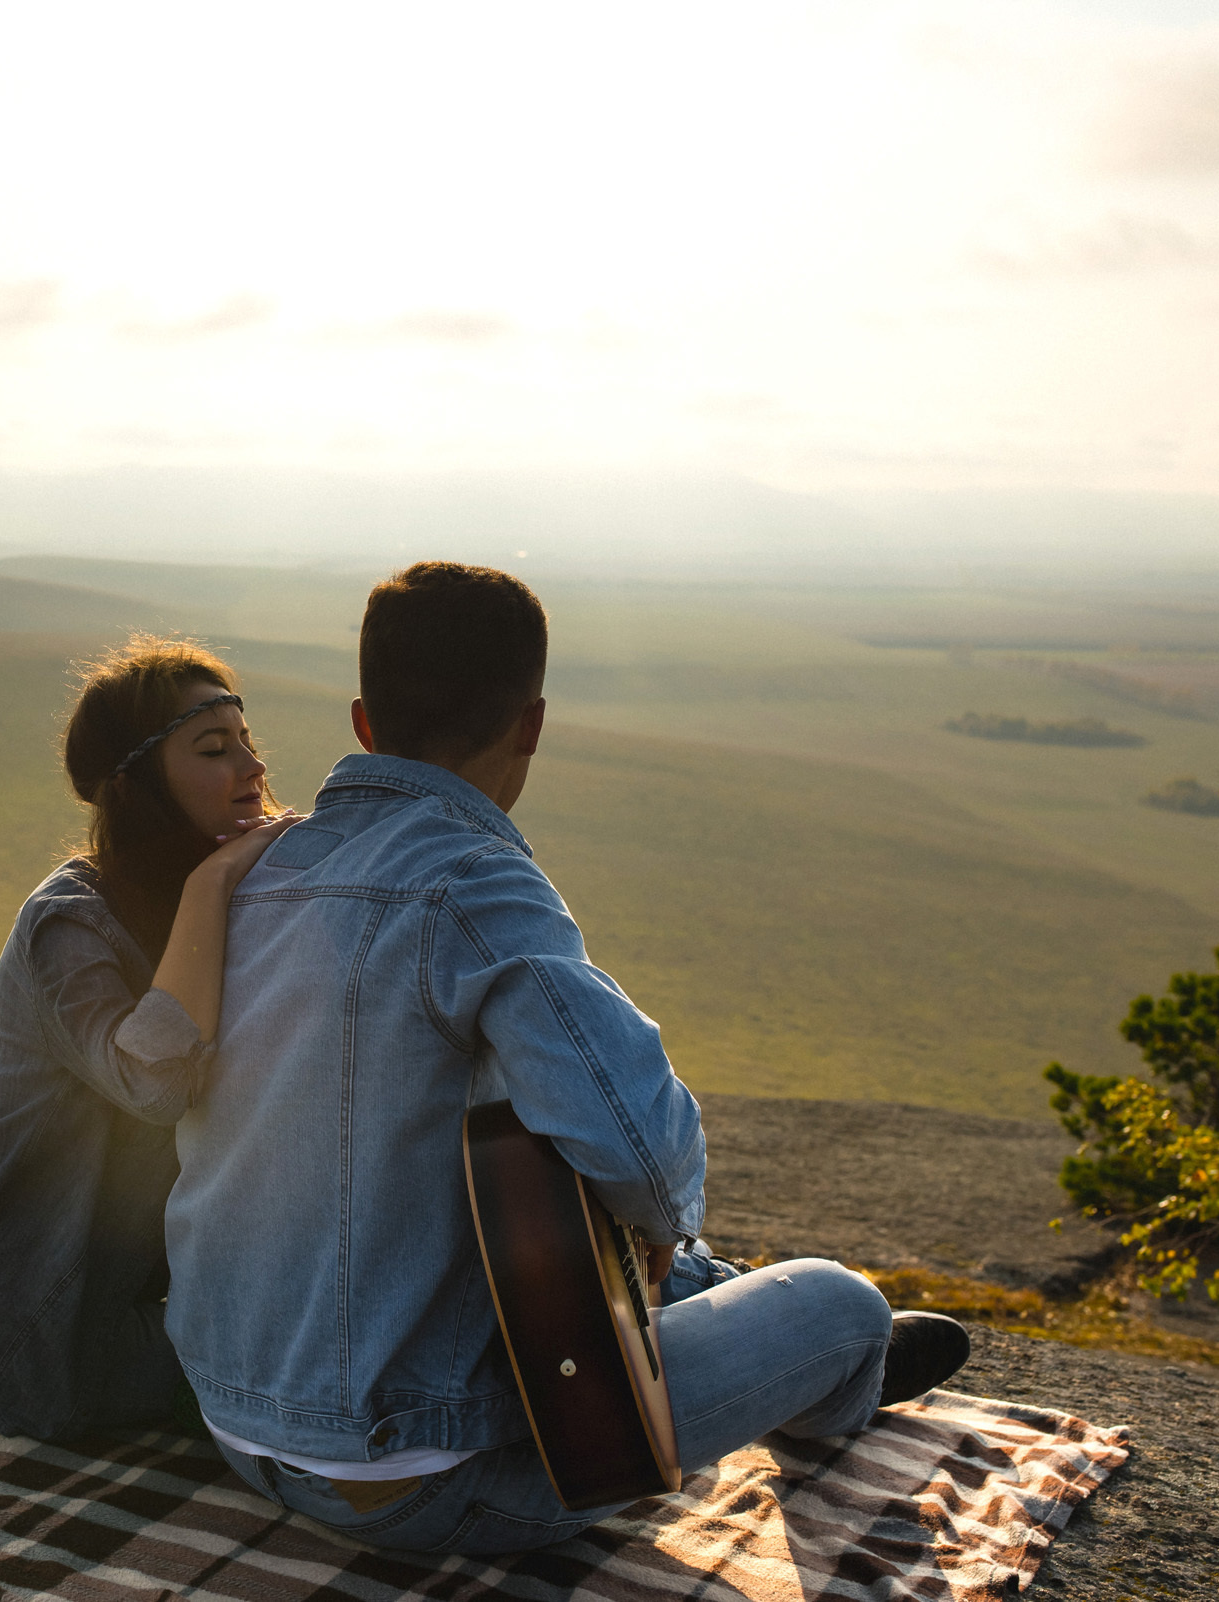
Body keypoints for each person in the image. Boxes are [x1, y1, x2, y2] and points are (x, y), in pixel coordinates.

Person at [166, 563, 971, 1554]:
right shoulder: (473, 881)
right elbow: (637, 1140)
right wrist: (661, 1220)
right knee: (841, 1306)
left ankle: (706, 1292)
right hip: (419, 1477)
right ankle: (831, 1390)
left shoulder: (259, 869)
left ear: (364, 721)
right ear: (531, 725)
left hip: (236, 1423)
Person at [0, 636, 301, 1442]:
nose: (254, 770)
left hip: (147, 1292)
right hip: (35, 1330)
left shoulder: (234, 893)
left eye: (249, 743)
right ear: (138, 782)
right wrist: (213, 883)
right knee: (328, 1373)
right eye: (216, 750)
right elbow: (154, 1086)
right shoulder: (68, 925)